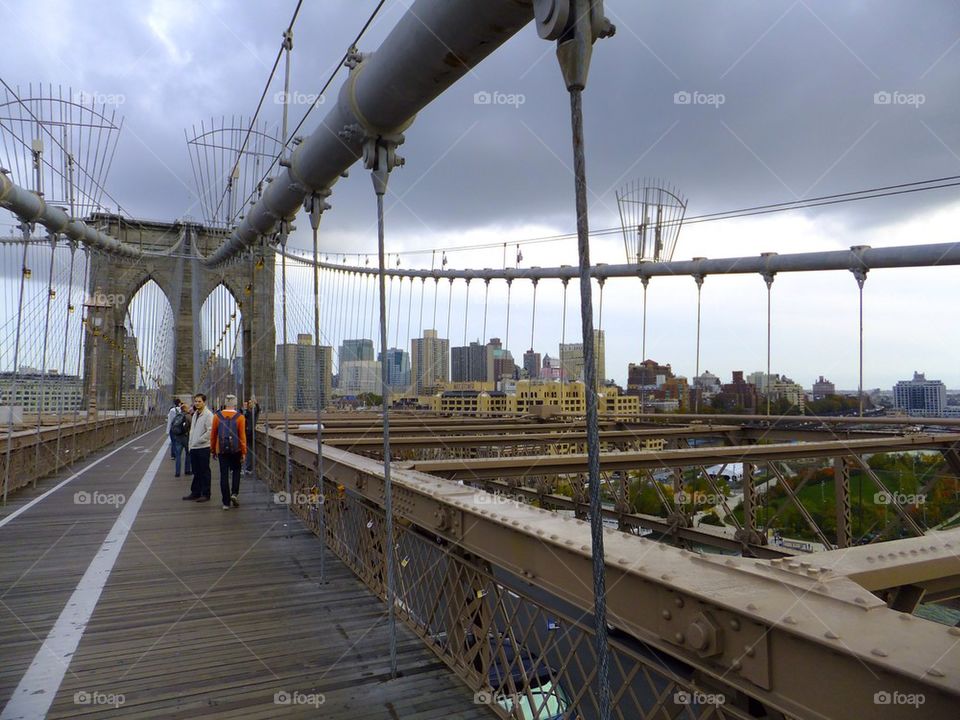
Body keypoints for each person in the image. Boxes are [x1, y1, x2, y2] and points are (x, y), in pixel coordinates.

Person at [212, 394, 246, 510]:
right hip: (236, 450)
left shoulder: (217, 416)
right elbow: (242, 437)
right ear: (235, 404)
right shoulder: (240, 417)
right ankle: (234, 494)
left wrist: (213, 450)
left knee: (224, 475)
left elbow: (213, 435)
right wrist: (244, 452)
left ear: (225, 403)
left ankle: (226, 502)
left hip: (221, 450)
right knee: (236, 471)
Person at [183, 393, 214, 503]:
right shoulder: (195, 414)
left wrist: (199, 440)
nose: (197, 403)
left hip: (203, 447)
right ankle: (195, 492)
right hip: (194, 448)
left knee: (204, 471)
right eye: (195, 401)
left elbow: (210, 431)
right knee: (196, 471)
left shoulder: (208, 415)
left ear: (204, 402)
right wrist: (191, 445)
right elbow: (192, 431)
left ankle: (206, 494)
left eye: (199, 401)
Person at [170, 401, 192, 478]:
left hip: (178, 438)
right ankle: (187, 470)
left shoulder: (177, 416)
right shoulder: (189, 416)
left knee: (178, 455)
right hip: (186, 437)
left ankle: (177, 472)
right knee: (188, 454)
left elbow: (172, 425)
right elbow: (192, 427)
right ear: (186, 409)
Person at [242, 399, 259, 474]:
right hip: (248, 433)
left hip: (249, 434)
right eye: (249, 403)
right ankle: (248, 467)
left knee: (248, 451)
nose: (249, 404)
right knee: (248, 451)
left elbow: (256, 410)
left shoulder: (253, 411)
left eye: (250, 403)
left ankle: (248, 468)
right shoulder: (251, 411)